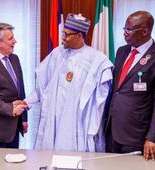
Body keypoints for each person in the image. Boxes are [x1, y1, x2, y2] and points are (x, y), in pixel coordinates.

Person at [24, 13, 113, 152]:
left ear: (79, 36)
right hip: (52, 120)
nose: (62, 37)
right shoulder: (56, 54)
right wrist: (26, 102)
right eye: (63, 33)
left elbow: (101, 99)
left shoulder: (97, 60)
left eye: (67, 34)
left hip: (77, 123)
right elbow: (43, 86)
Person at [106, 11, 155, 160]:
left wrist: (153, 137)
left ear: (145, 31)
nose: (125, 33)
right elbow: (118, 91)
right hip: (112, 132)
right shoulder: (122, 52)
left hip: (137, 136)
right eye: (124, 29)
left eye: (129, 29)